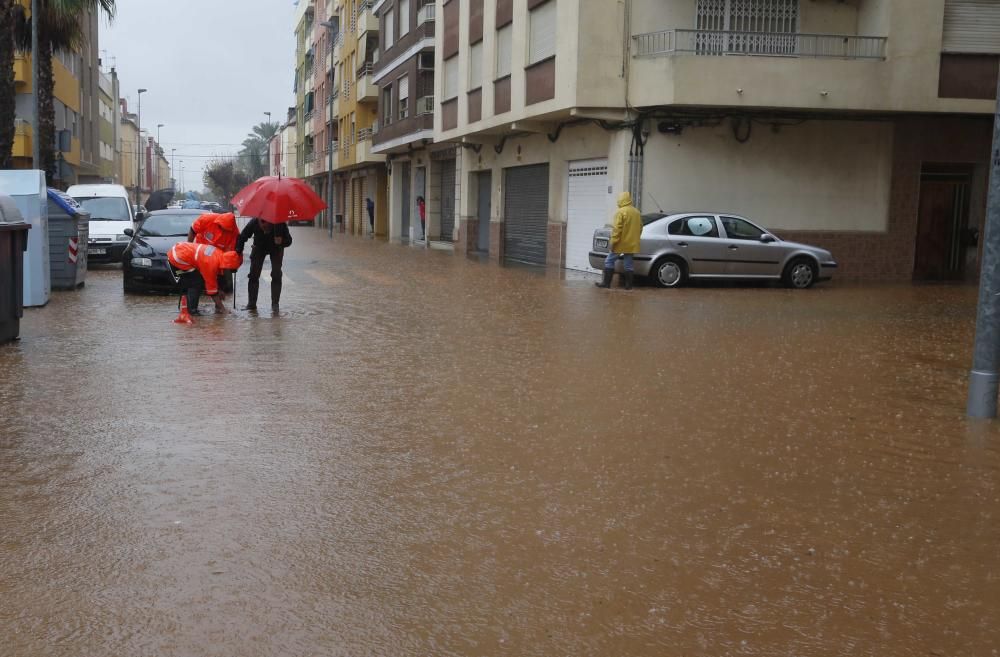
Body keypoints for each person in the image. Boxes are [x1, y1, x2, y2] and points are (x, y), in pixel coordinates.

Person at [167, 242, 243, 315]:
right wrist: (222, 308)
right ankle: (192, 311)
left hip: (180, 249)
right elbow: (211, 291)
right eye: (231, 270)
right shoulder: (211, 265)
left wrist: (219, 289)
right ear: (227, 266)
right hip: (177, 259)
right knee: (196, 282)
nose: (229, 272)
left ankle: (189, 305)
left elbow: (215, 277)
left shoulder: (219, 254)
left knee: (197, 278)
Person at [236, 217, 292, 311]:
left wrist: (281, 241)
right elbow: (243, 236)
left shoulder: (279, 223)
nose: (265, 228)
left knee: (276, 274)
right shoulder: (254, 222)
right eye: (263, 225)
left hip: (276, 248)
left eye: (268, 226)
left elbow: (289, 240)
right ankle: (251, 304)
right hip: (259, 247)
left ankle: (275, 304)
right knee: (254, 275)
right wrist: (238, 251)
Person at [596, 191, 642, 290]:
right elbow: (640, 228)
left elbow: (617, 229)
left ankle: (606, 283)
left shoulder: (620, 212)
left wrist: (613, 242)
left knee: (609, 261)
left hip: (621, 243)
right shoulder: (637, 212)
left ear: (621, 200)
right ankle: (628, 286)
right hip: (632, 244)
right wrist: (635, 238)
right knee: (628, 264)